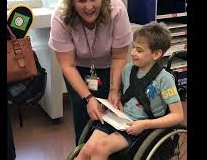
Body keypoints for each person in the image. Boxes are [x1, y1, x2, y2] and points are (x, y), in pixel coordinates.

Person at [76, 22, 184, 160]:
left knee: (101, 148)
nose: (132, 53)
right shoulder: (127, 70)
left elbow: (178, 116)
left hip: (142, 128)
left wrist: (145, 124)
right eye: (133, 48)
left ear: (156, 54)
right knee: (87, 149)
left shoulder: (165, 79)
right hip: (120, 120)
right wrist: (115, 103)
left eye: (139, 50)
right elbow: (124, 95)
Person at [48, 0, 133, 145]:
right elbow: (67, 65)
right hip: (76, 69)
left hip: (111, 66)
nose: (89, 7)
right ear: (72, 1)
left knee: (113, 113)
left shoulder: (116, 9)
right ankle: (83, 149)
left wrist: (114, 91)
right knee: (82, 115)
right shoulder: (60, 15)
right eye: (81, 1)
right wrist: (88, 98)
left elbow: (119, 57)